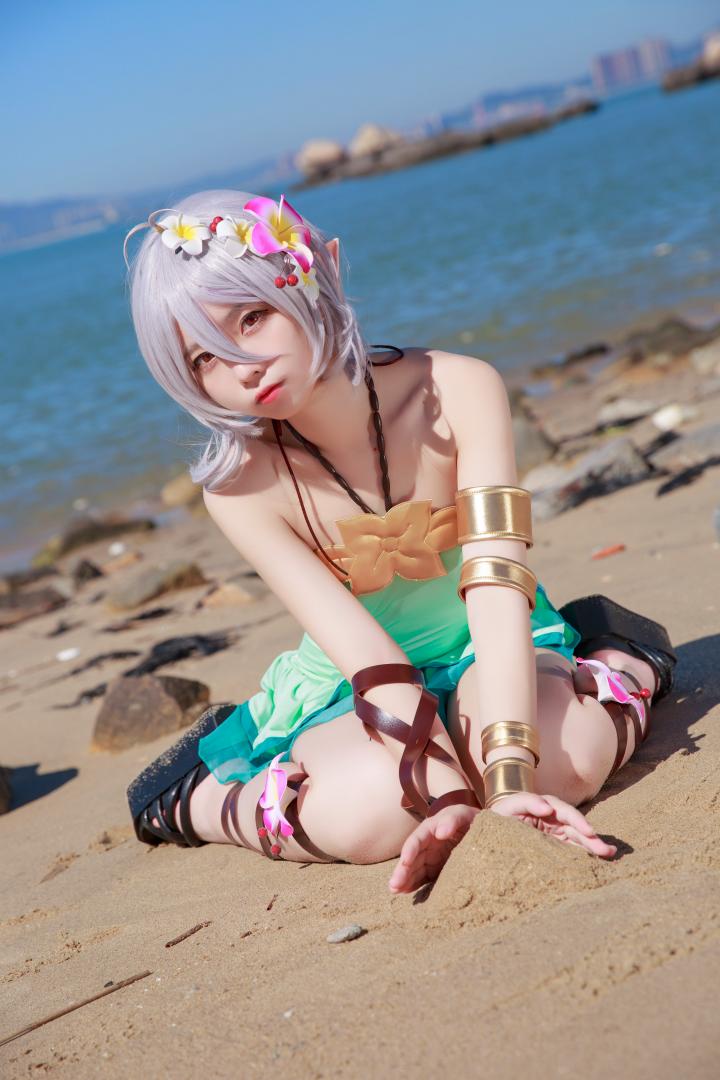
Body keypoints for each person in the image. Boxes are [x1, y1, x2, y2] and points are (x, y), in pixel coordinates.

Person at [123, 190, 676, 894]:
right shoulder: (240, 489)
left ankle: (621, 655)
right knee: (376, 815)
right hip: (349, 681)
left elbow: (497, 578)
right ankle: (199, 799)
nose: (242, 367)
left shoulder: (460, 388)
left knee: (560, 766)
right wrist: (444, 800)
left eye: (252, 318)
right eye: (204, 356)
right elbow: (366, 656)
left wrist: (508, 786)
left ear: (322, 269)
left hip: (493, 633)